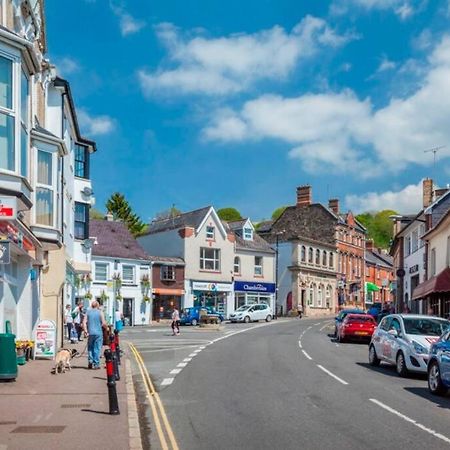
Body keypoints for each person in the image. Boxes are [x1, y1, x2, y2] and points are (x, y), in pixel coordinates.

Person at [82, 300, 107, 370]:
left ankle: (90, 360)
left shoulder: (88, 312)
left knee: (90, 347)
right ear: (97, 306)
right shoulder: (100, 312)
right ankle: (96, 364)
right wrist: (106, 328)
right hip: (98, 333)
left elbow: (84, 322)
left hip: (90, 333)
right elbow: (104, 323)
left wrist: (86, 331)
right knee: (97, 348)